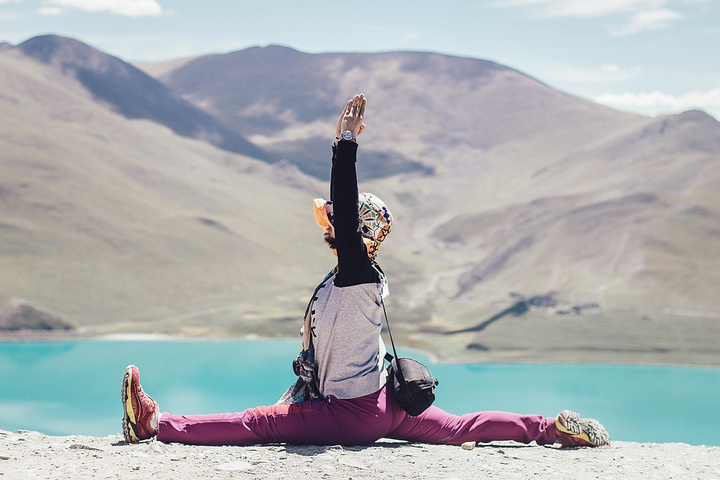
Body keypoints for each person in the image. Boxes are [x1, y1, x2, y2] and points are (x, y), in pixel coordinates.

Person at [121, 93, 610, 448]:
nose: (327, 223)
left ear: (355, 231)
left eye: (334, 218)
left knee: (258, 422)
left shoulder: (357, 272)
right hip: (386, 404)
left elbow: (349, 212)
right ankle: (551, 428)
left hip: (354, 414)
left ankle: (156, 425)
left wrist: (346, 145)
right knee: (461, 428)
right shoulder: (351, 278)